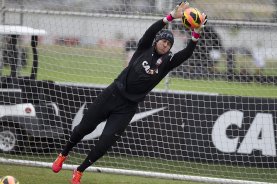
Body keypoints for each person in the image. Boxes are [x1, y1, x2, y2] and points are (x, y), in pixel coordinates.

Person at [52, 2, 207, 184]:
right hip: (112, 94)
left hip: (127, 107)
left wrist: (196, 33)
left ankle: (79, 171)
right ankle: (63, 154)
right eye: (163, 41)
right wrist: (171, 16)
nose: (165, 45)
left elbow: (187, 53)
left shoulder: (167, 62)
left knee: (105, 142)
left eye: (169, 43)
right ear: (157, 41)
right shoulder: (143, 48)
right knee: (83, 129)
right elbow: (152, 30)